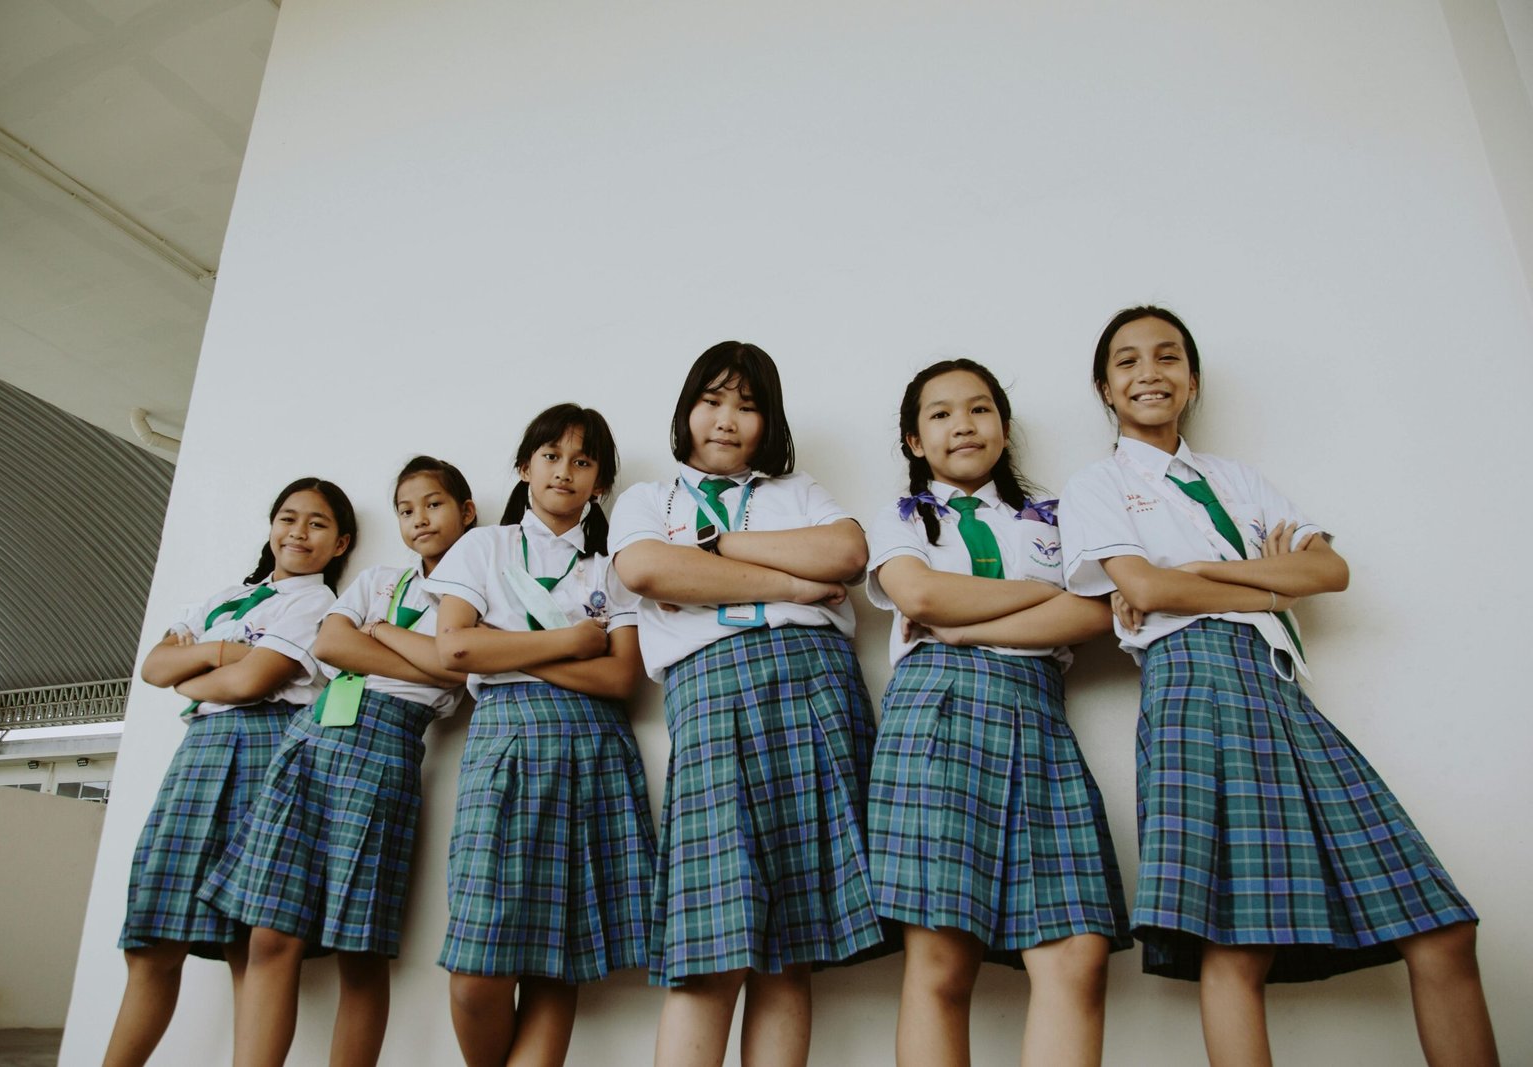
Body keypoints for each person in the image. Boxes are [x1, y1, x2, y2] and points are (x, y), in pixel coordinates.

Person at [1058, 306, 1498, 1066]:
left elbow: (1328, 570)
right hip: (1194, 688)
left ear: (1191, 380)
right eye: (1127, 362)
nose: (1149, 372)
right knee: (1237, 943)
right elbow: (1143, 588)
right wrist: (1267, 586)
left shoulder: (1238, 479)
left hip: (1279, 689)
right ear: (1105, 387)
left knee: (1443, 928)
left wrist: (1200, 571)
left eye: (1167, 357)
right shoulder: (1097, 484)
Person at [609, 341, 884, 1067]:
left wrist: (715, 549)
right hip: (711, 693)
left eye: (748, 405)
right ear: (686, 408)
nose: (727, 419)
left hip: (813, 686)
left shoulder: (799, 489)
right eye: (713, 399)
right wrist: (791, 585)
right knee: (708, 939)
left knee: (790, 943)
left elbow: (848, 554)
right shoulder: (647, 499)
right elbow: (645, 566)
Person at [866, 358, 1129, 1067]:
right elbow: (920, 598)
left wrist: (965, 617)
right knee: (944, 960)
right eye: (941, 413)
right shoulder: (898, 517)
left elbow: (1096, 611)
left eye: (979, 409)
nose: (963, 424)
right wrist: (1038, 600)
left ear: (1004, 429)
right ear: (914, 441)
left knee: (1078, 952)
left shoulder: (1056, 519)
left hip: (1040, 719)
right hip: (935, 716)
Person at [201, 457, 477, 1067]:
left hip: (387, 750)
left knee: (359, 947)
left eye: (432, 504)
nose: (418, 519)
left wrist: (381, 639)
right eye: (405, 510)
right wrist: (424, 655)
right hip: (312, 735)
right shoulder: (380, 578)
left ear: (467, 512)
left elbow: (461, 668)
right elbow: (330, 644)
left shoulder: (479, 589)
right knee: (269, 932)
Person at [430, 404, 655, 1067]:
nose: (565, 471)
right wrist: (567, 641)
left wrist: (505, 645)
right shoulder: (483, 546)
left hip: (595, 748)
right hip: (505, 742)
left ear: (600, 482)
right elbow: (453, 647)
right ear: (526, 464)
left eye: (583, 461)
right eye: (552, 455)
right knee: (478, 970)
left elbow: (621, 677)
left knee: (563, 954)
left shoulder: (613, 563)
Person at [104, 477, 356, 1067]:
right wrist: (226, 652)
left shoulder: (315, 603)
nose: (299, 532)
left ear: (340, 543)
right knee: (152, 940)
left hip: (271, 749)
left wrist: (196, 669)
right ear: (271, 526)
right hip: (197, 758)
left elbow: (250, 683)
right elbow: (154, 667)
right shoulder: (217, 600)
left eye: (317, 524)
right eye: (288, 518)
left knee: (254, 939)